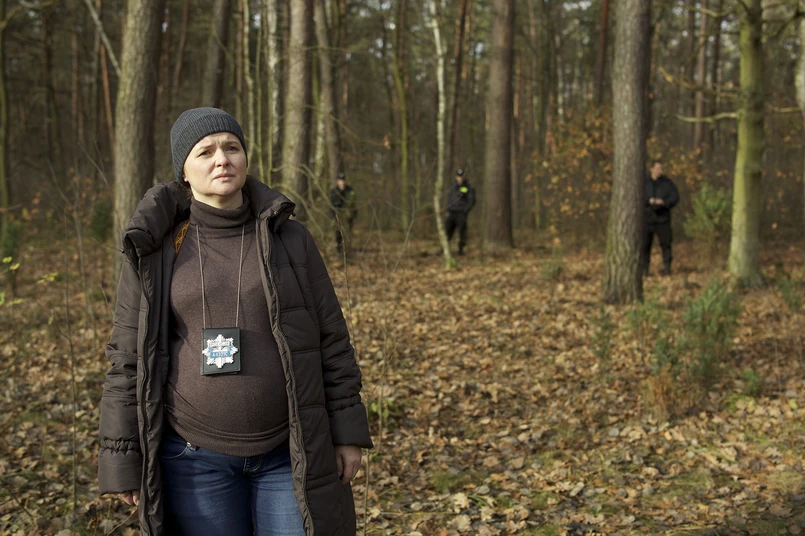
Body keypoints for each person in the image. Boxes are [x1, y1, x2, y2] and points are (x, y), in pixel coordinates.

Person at [97, 107, 373, 536]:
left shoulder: (289, 238)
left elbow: (331, 338)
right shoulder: (155, 248)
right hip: (193, 458)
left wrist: (347, 433)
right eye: (205, 152)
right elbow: (128, 358)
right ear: (183, 171)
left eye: (232, 148)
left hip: (289, 452)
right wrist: (122, 458)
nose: (222, 159)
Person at [642, 160, 680, 276]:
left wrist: (664, 202)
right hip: (647, 219)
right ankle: (644, 270)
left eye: (661, 168)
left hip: (663, 219)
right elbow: (637, 197)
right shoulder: (644, 183)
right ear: (651, 169)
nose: (660, 171)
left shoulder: (667, 183)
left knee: (666, 244)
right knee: (645, 246)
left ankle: (667, 269)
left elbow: (675, 197)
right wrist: (649, 201)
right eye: (658, 168)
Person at [445, 169, 476, 255]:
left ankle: (461, 250)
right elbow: (449, 199)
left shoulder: (468, 187)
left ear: (464, 177)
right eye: (458, 176)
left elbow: (471, 200)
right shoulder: (453, 187)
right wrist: (448, 210)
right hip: (452, 212)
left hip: (461, 213)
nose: (460, 178)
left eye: (461, 176)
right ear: (456, 177)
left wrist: (465, 210)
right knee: (447, 230)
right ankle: (445, 249)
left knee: (462, 231)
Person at [329, 172, 357, 254]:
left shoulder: (350, 190)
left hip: (348, 216)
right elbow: (331, 204)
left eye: (343, 180)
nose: (342, 182)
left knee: (347, 232)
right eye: (340, 180)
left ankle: (347, 249)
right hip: (337, 215)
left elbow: (352, 202)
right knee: (337, 232)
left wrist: (353, 214)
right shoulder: (334, 191)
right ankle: (338, 248)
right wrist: (332, 215)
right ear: (338, 181)